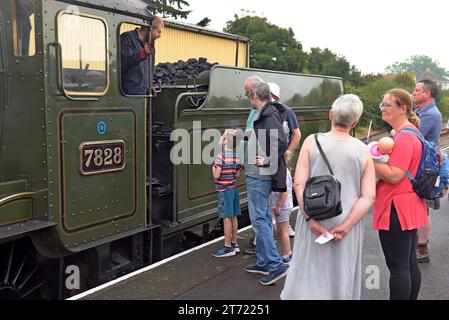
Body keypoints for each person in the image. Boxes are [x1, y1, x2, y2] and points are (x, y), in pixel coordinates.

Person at [281, 94, 375, 300]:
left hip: (314, 216)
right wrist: (346, 225)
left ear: (330, 115)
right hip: (347, 220)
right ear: (355, 122)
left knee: (308, 271)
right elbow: (368, 196)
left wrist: (309, 220)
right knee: (341, 273)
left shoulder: (311, 141)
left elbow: (299, 183)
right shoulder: (363, 150)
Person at [373, 88, 428, 300]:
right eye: (382, 104)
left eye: (387, 105)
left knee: (398, 267)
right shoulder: (411, 132)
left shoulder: (405, 137)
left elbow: (394, 175)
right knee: (408, 263)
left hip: (397, 208)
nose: (382, 108)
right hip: (408, 206)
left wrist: (369, 159)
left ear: (402, 108)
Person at [244, 81, 289, 286]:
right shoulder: (269, 113)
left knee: (260, 219)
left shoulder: (268, 114)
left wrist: (268, 160)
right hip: (258, 173)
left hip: (259, 175)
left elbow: (280, 140)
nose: (249, 99)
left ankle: (274, 264)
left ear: (255, 96)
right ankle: (263, 261)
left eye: (249, 96)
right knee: (260, 218)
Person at [412, 79, 442, 263]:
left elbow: (413, 135)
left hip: (425, 169)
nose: (413, 93)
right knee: (421, 207)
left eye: (417, 90)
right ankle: (420, 246)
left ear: (427, 94)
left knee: (422, 208)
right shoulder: (423, 112)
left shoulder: (429, 115)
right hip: (424, 166)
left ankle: (422, 249)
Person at [267, 82, 301, 237]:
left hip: (281, 155)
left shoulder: (286, 111)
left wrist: (288, 152)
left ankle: (285, 224)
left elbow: (297, 133)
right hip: (267, 155)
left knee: (283, 186)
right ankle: (272, 223)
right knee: (269, 189)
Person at [211, 130, 242, 257]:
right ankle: (235, 243)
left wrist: (213, 169)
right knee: (234, 216)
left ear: (224, 141)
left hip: (224, 191)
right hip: (234, 189)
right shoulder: (236, 156)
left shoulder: (220, 156)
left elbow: (216, 176)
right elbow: (238, 174)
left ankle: (227, 247)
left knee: (226, 218)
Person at [241, 76, 263, 255]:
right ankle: (259, 242)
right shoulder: (254, 110)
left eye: (248, 93)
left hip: (257, 169)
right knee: (256, 208)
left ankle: (264, 253)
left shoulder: (263, 112)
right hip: (251, 165)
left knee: (257, 209)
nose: (247, 97)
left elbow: (252, 137)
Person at [120, 16, 164, 95]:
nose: (159, 35)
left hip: (143, 95)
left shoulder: (151, 45)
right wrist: (142, 54)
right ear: (149, 29)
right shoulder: (127, 38)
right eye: (159, 32)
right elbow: (122, 63)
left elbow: (149, 71)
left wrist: (149, 87)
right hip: (128, 95)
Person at [269, 160, 293, 266]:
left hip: (283, 206)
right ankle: (284, 253)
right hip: (280, 206)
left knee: (283, 231)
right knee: (280, 231)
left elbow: (285, 191)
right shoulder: (281, 170)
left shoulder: (283, 172)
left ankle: (287, 255)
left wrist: (278, 206)